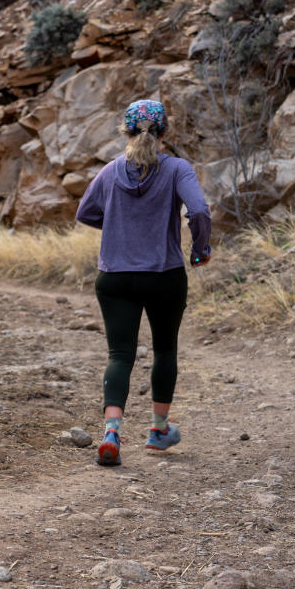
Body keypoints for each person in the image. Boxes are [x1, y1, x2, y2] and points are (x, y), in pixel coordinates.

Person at [75, 99, 211, 466]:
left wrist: (120, 229)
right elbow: (198, 211)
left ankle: (111, 433)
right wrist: (201, 249)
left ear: (126, 131)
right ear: (164, 131)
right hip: (164, 275)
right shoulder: (178, 169)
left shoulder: (109, 171)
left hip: (114, 277)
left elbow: (84, 212)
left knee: (120, 354)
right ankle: (158, 431)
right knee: (165, 350)